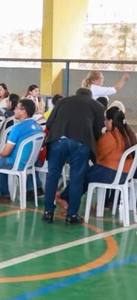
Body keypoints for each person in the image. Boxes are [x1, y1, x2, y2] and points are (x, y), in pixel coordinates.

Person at [42, 88, 106, 225]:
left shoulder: (62, 102)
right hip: (81, 143)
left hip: (57, 141)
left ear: (76, 94)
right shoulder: (97, 106)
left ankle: (48, 212)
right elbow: (98, 130)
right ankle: (72, 215)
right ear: (90, 96)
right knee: (77, 178)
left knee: (53, 175)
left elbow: (49, 123)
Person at [56, 106, 136, 211]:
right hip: (127, 175)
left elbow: (98, 155)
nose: (104, 123)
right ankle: (66, 197)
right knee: (88, 173)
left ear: (110, 121)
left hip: (111, 175)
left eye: (105, 120)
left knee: (82, 174)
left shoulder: (110, 136)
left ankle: (64, 198)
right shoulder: (129, 135)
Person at [0, 99, 42, 201]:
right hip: (29, 163)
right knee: (2, 165)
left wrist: (1, 153)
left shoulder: (17, 128)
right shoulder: (38, 127)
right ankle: (5, 194)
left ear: (24, 111)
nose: (14, 110)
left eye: (17, 108)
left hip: (15, 162)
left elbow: (6, 152)